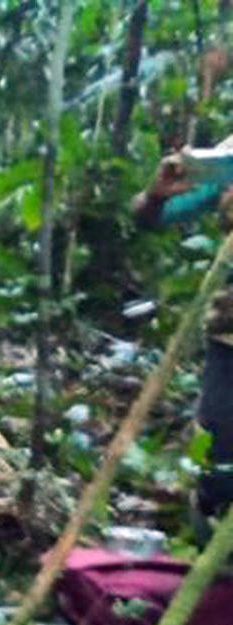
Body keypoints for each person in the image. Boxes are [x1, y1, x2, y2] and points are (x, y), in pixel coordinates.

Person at [134, 149, 233, 525]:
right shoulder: (228, 161)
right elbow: (152, 217)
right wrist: (158, 193)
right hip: (230, 335)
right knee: (221, 459)